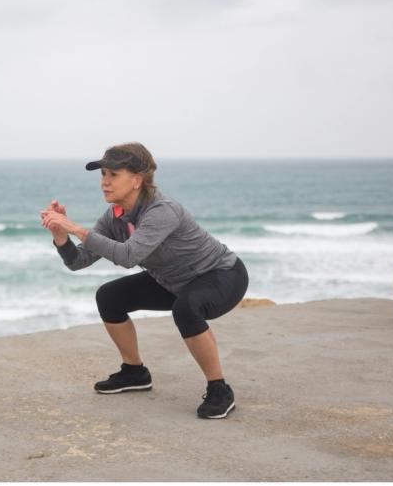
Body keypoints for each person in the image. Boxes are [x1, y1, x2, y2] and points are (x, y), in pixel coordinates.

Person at [40, 142, 249, 419]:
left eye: (113, 175)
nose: (104, 182)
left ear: (137, 180)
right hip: (171, 280)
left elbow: (129, 256)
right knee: (109, 297)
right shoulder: (115, 216)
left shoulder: (162, 210)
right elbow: (78, 261)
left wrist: (77, 229)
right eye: (103, 175)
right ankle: (134, 372)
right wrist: (61, 236)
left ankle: (219, 389)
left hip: (220, 275)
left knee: (186, 308)